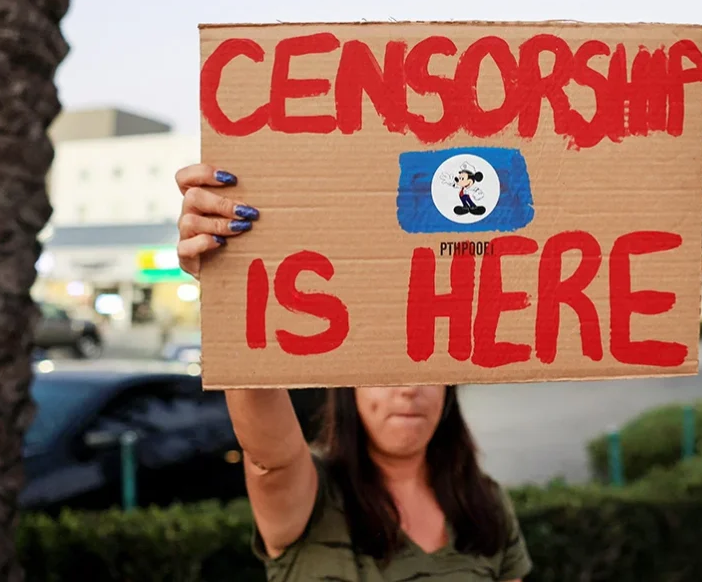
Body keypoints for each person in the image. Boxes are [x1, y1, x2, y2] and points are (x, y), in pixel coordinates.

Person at [175, 163, 533, 581]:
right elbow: (267, 455)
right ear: (349, 387)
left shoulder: (488, 505)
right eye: (385, 370)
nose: (409, 389)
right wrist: (229, 282)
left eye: (427, 367)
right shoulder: (311, 498)